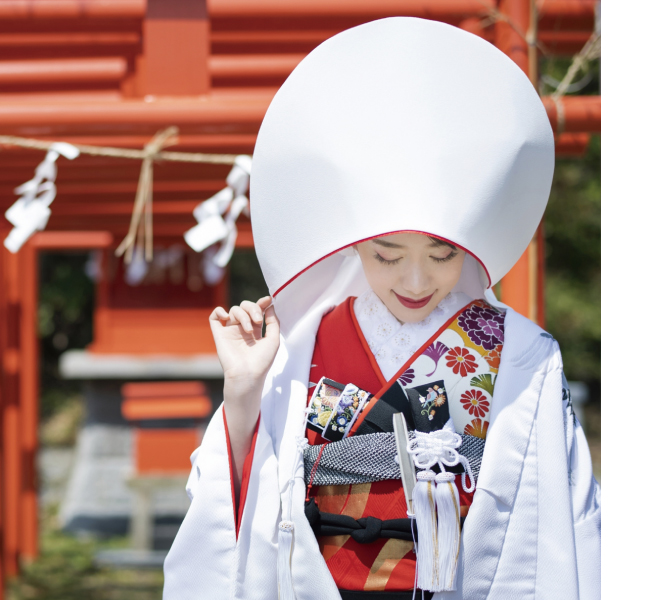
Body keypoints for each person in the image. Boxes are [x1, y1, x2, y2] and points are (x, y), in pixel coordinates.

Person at [163, 17, 601, 600]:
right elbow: (239, 503)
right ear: (354, 244)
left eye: (442, 254)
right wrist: (244, 390)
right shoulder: (303, 343)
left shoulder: (522, 356)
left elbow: (557, 524)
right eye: (388, 255)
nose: (416, 280)